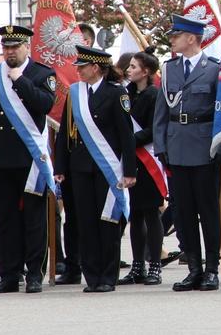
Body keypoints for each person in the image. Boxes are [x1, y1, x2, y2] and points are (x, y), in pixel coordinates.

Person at [152, 13, 221, 292]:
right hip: (177, 146)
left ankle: (211, 270)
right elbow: (161, 113)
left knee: (208, 211)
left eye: (176, 36)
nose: (172, 39)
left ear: (191, 38)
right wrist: (161, 146)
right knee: (182, 212)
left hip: (205, 145)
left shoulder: (214, 68)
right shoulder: (170, 68)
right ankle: (193, 268)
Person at [54, 45, 136, 293]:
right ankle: (92, 276)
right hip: (80, 166)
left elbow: (126, 134)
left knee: (107, 222)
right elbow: (64, 133)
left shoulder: (116, 93)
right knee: (85, 221)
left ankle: (108, 277)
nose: (78, 70)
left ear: (95, 67)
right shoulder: (76, 93)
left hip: (107, 168)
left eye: (82, 66)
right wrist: (61, 166)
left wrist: (129, 170)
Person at [0, 25, 57, 293]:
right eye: (6, 47)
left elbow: (45, 105)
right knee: (6, 219)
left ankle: (34, 274)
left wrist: (19, 79)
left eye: (14, 47)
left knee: (34, 218)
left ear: (26, 47)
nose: (9, 52)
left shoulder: (41, 73)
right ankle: (9, 273)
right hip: (0, 158)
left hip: (31, 158)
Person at [117, 48, 166, 286]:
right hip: (129, 160)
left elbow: (154, 129)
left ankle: (154, 265)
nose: (128, 70)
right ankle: (138, 266)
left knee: (150, 213)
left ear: (146, 72)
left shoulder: (155, 94)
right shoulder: (125, 93)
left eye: (134, 67)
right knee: (135, 214)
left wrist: (127, 141)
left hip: (147, 160)